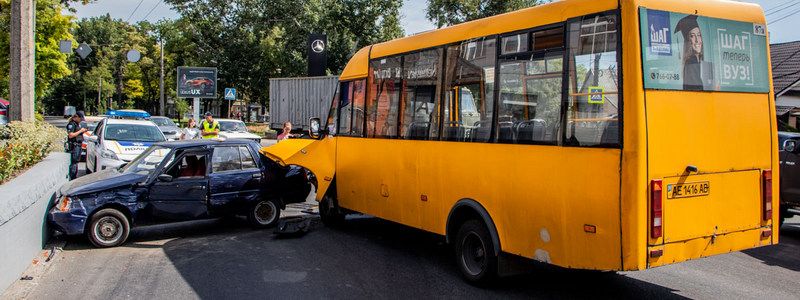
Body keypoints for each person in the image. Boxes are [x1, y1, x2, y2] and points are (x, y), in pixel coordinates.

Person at [675, 15, 714, 91]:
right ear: (688, 41)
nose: (697, 40)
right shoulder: (691, 62)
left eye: (699, 35)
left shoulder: (697, 61)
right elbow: (698, 90)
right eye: (692, 36)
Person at [66, 112, 87, 180]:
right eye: (80, 118)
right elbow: (71, 135)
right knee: (74, 163)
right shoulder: (71, 124)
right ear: (76, 117)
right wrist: (80, 131)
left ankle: (74, 177)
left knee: (76, 162)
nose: (81, 120)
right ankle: (72, 178)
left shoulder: (77, 124)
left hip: (78, 145)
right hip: (74, 146)